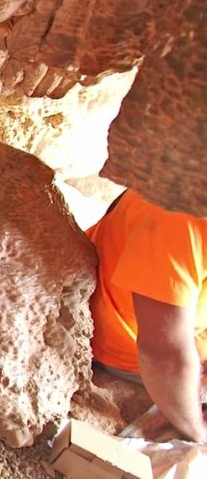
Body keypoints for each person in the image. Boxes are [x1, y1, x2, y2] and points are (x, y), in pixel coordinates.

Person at [87, 188, 207, 442]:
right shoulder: (178, 215)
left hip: (186, 326)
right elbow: (164, 354)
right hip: (124, 341)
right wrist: (196, 430)